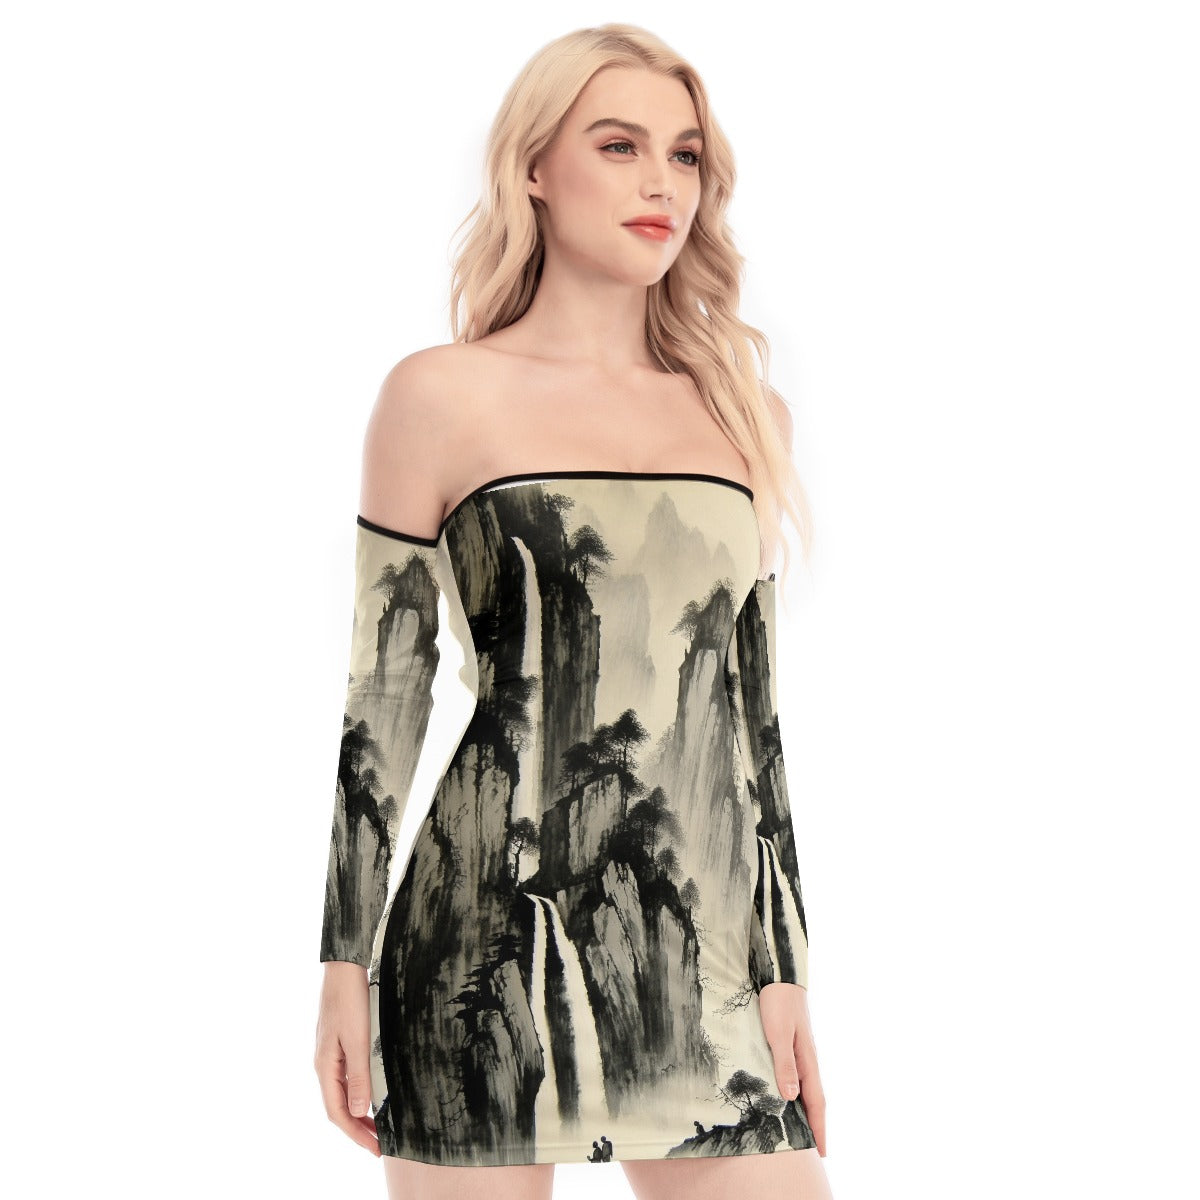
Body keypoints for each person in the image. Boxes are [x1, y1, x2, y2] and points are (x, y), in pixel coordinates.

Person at [314, 22, 834, 1200]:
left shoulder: (743, 416)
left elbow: (751, 724)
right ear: (535, 170)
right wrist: (344, 963)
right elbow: (382, 701)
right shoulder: (439, 398)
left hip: (700, 958)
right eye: (619, 145)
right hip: (478, 944)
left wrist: (786, 969)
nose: (662, 183)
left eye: (685, 155)